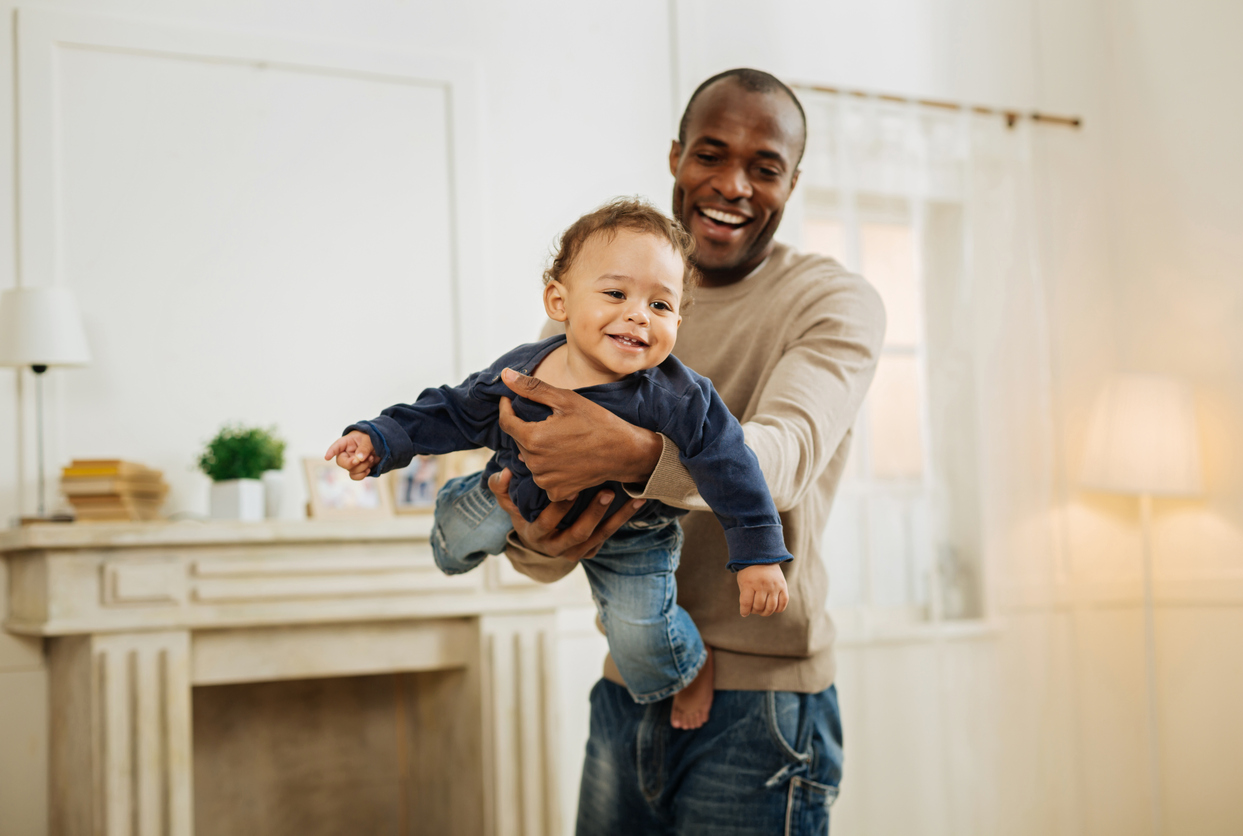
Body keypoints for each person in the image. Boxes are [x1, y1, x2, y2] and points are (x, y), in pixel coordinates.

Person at [479, 69, 886, 834]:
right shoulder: (604, 297)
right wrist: (534, 537)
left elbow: (786, 457)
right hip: (628, 687)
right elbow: (530, 493)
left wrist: (631, 455)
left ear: (792, 183)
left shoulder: (833, 301)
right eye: (710, 154)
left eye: (763, 168)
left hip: (760, 709)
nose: (732, 184)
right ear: (675, 159)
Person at [324, 198, 792, 731]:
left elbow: (731, 463)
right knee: (452, 544)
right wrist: (380, 437)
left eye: (661, 306)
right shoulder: (524, 371)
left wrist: (757, 553)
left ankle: (686, 666)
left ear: (679, 320)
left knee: (641, 643)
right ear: (559, 300)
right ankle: (464, 509)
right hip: (520, 491)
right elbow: (452, 409)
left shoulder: (677, 396)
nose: (639, 314)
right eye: (616, 294)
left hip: (634, 531)